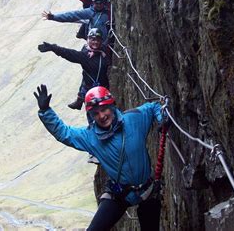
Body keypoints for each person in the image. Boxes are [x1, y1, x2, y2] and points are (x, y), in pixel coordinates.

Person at [34, 85, 163, 230]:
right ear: (91, 116)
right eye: (96, 113)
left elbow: (153, 107)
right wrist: (45, 111)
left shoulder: (133, 120)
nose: (101, 116)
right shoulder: (91, 137)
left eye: (104, 109)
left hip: (146, 191)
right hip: (120, 194)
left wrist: (161, 118)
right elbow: (64, 133)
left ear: (112, 106)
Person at [37, 28, 110, 111]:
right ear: (88, 39)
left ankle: (80, 99)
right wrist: (53, 48)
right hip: (93, 91)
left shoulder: (103, 49)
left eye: (98, 40)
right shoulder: (85, 56)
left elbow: (108, 42)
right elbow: (69, 53)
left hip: (103, 87)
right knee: (94, 110)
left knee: (86, 77)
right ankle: (80, 99)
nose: (95, 42)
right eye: (93, 40)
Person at [42, 0, 110, 46]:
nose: (99, 5)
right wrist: (53, 17)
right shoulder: (88, 13)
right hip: (95, 45)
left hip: (107, 43)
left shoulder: (107, 10)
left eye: (101, 3)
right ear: (93, 2)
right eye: (97, 3)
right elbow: (70, 15)